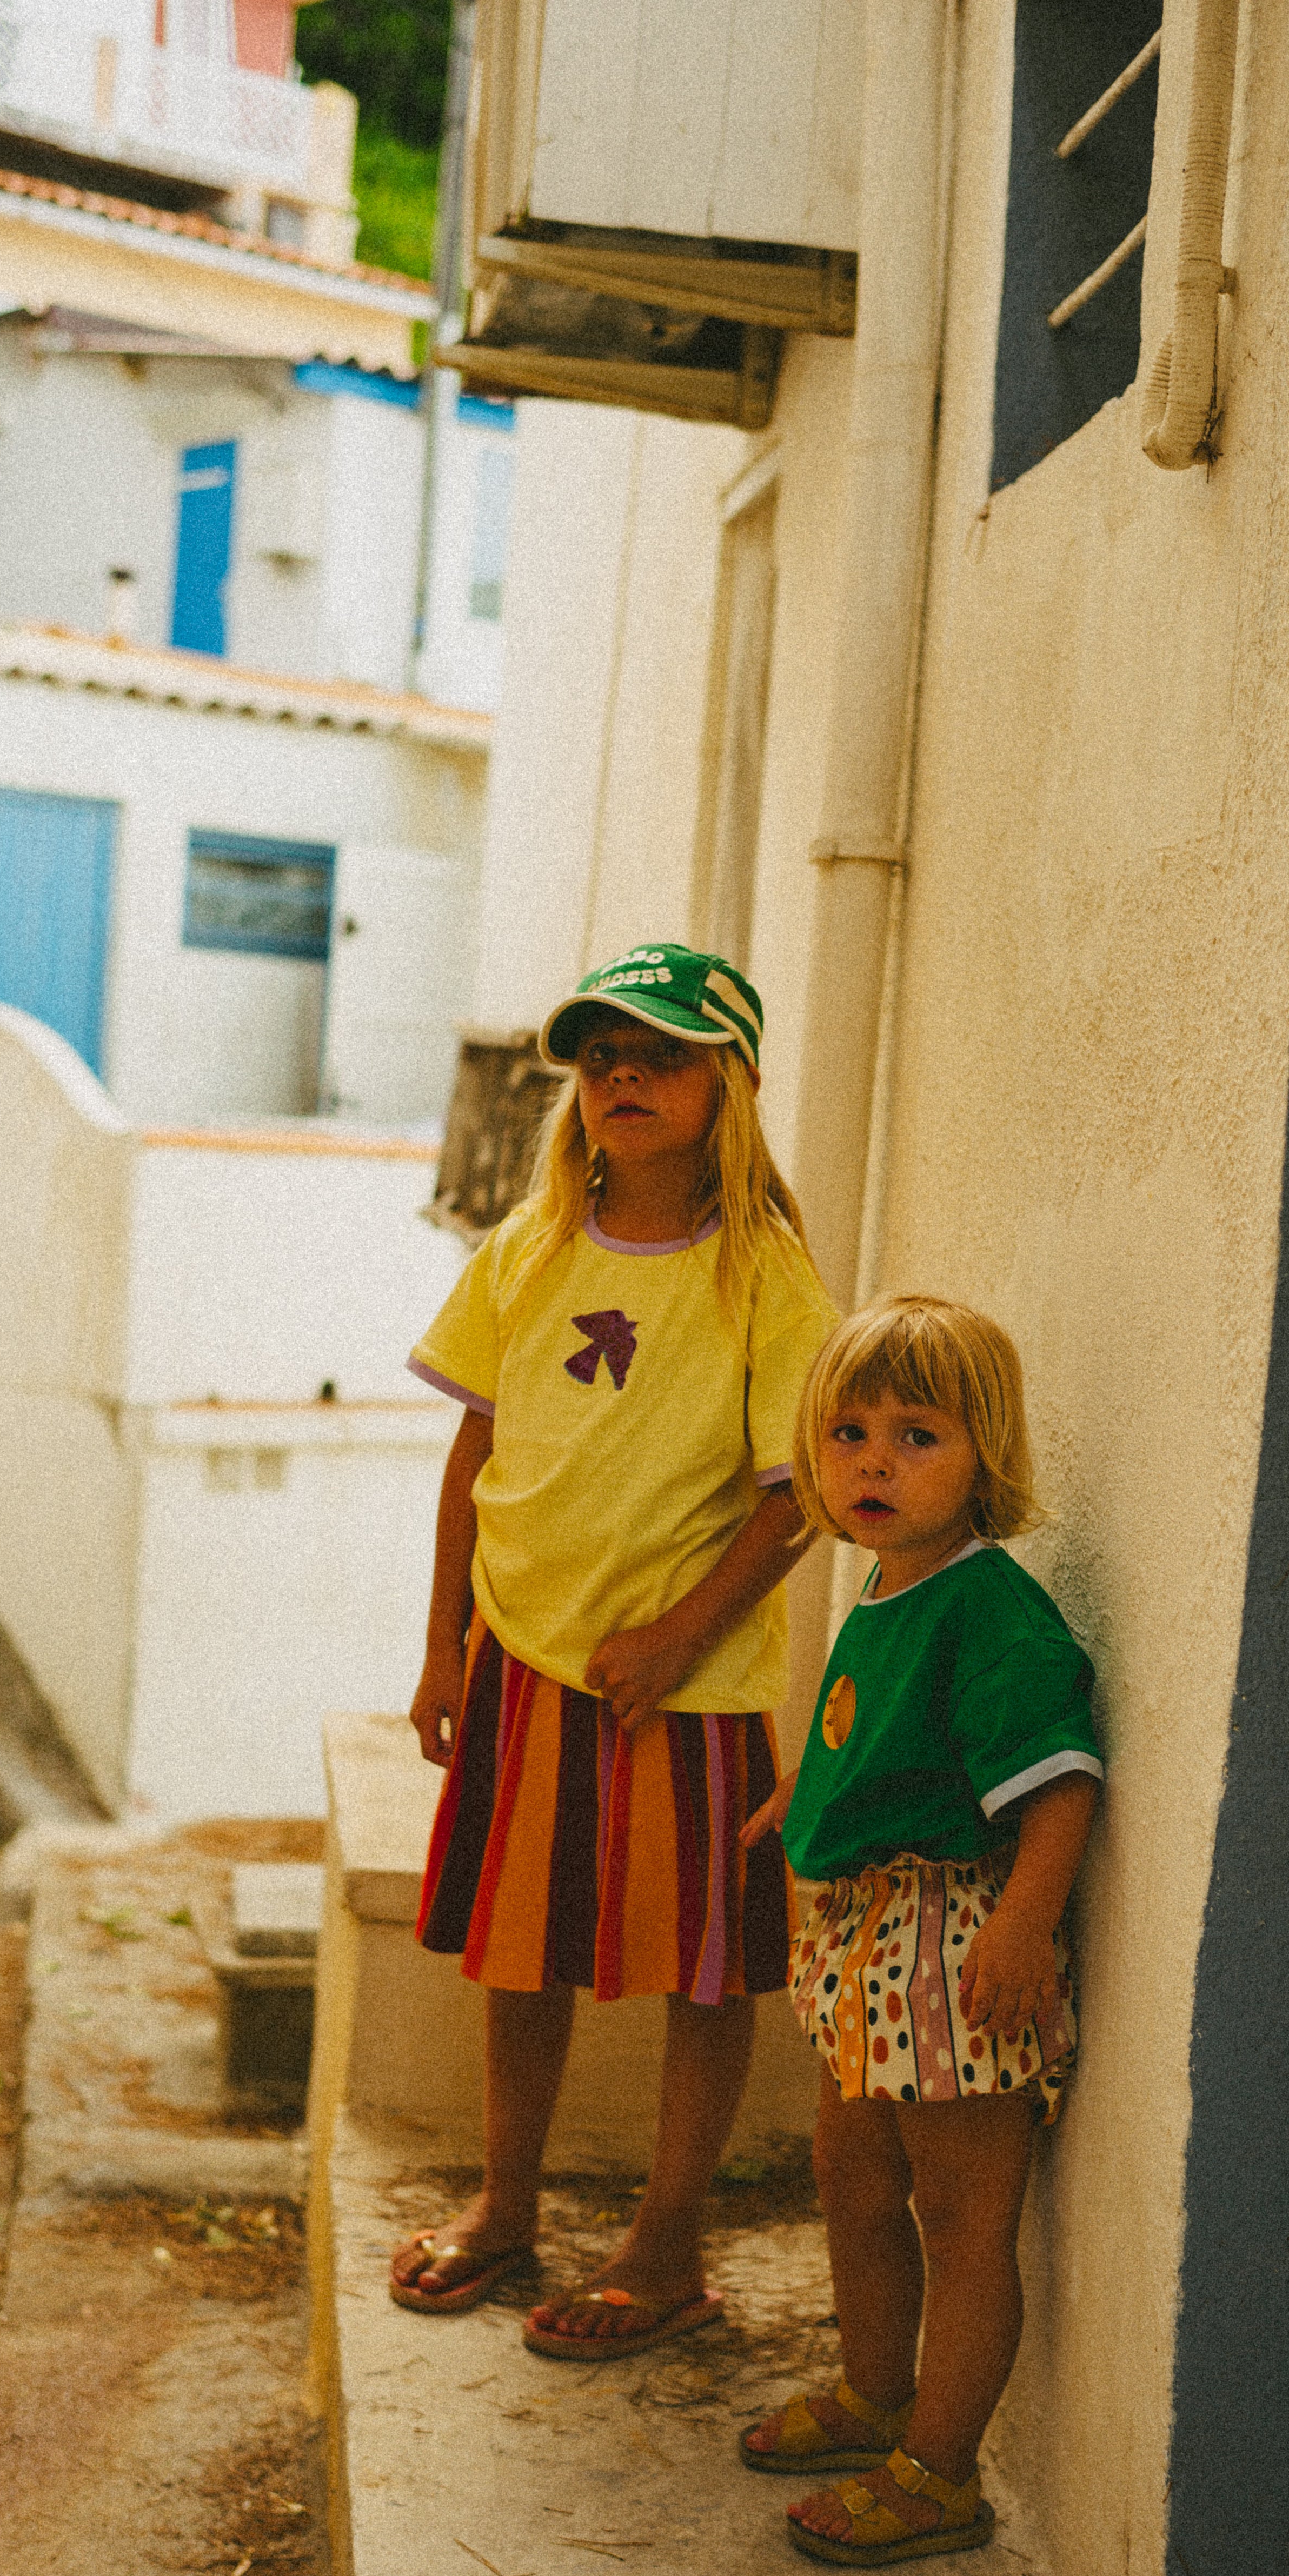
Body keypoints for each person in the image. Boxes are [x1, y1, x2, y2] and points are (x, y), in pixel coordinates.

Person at [395, 943, 836, 2359]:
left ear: (733, 1086)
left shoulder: (765, 1275)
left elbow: (799, 1500)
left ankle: (669, 2248)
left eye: (664, 1055)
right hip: (526, 1663)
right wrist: (446, 1646)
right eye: (601, 1058)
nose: (625, 1079)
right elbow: (476, 1448)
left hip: (679, 1692)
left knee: (701, 1969)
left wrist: (679, 1633)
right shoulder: (527, 1250)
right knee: (523, 1955)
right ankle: (507, 2205)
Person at [738, 1295, 1101, 2564]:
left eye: (915, 1435)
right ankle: (873, 2390)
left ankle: (940, 2470)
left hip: (951, 1947)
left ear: (983, 1460)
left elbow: (1059, 1780)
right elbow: (874, 1737)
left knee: (958, 2215)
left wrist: (1022, 1928)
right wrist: (802, 1797)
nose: (872, 1462)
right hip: (864, 1943)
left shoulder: (988, 1608)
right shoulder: (887, 1591)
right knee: (850, 2176)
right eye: (846, 1434)